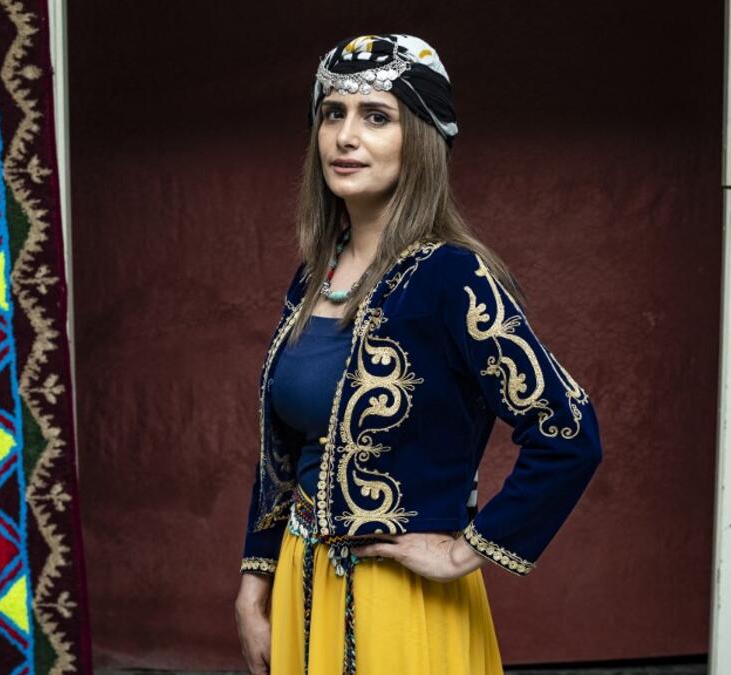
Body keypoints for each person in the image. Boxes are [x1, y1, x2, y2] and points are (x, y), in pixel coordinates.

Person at [233, 34, 603, 675]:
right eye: (333, 113)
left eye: (377, 117)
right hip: (302, 583)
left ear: (423, 137)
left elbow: (568, 430)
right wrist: (253, 585)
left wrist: (466, 552)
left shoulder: (451, 277)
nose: (346, 137)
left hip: (400, 601)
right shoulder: (314, 276)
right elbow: (282, 455)